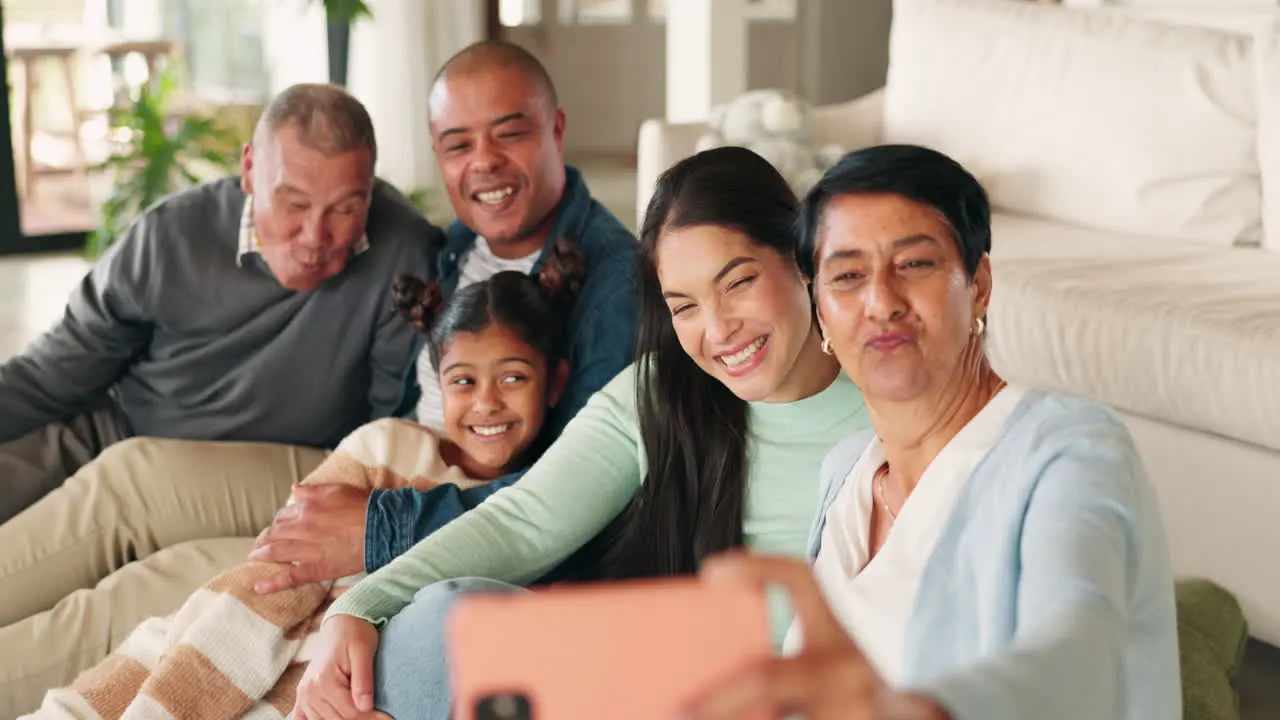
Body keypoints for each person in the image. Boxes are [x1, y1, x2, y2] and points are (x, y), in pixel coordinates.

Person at [291, 146, 874, 719]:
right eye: (685, 306)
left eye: (738, 282)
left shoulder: (890, 398)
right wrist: (360, 608)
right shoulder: (660, 392)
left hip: (813, 700)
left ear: (802, 258)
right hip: (659, 695)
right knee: (436, 622)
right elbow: (520, 524)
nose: (719, 330)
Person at [681, 145, 1181, 720]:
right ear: (821, 312)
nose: (880, 302)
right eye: (846, 276)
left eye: (915, 264)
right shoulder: (846, 473)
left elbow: (1077, 654)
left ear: (979, 284)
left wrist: (910, 710)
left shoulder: (1071, 450)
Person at [21, 242, 584, 719]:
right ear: (438, 383)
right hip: (236, 644)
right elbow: (270, 580)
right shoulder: (388, 447)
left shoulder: (549, 503)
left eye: (513, 377)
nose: (486, 404)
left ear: (554, 383)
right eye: (463, 381)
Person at [247, 39, 640, 596]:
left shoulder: (614, 288)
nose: (483, 161)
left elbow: (576, 500)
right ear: (437, 153)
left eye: (509, 133)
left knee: (221, 592)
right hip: (382, 463)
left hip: (447, 525)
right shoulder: (454, 246)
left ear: (555, 129)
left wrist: (380, 525)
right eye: (458, 145)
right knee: (149, 528)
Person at [0, 82, 436, 524]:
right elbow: (51, 375)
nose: (314, 237)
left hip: (274, 477)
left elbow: (388, 434)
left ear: (368, 189)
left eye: (344, 210)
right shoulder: (168, 238)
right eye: (294, 203)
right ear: (249, 169)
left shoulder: (404, 257)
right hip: (119, 433)